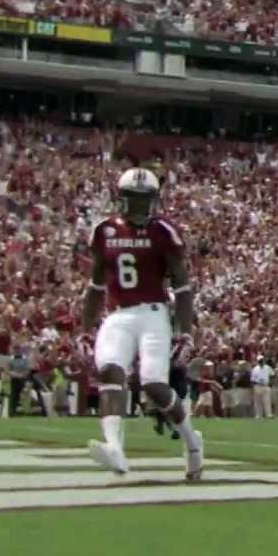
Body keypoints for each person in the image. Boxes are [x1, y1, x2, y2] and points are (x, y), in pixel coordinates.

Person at [82, 168, 203, 480]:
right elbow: (95, 285)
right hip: (118, 314)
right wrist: (86, 327)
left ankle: (192, 441)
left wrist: (185, 331)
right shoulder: (104, 230)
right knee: (109, 370)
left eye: (145, 199)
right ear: (122, 199)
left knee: (154, 385)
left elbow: (183, 287)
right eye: (134, 199)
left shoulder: (164, 232)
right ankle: (115, 449)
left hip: (153, 313)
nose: (139, 206)